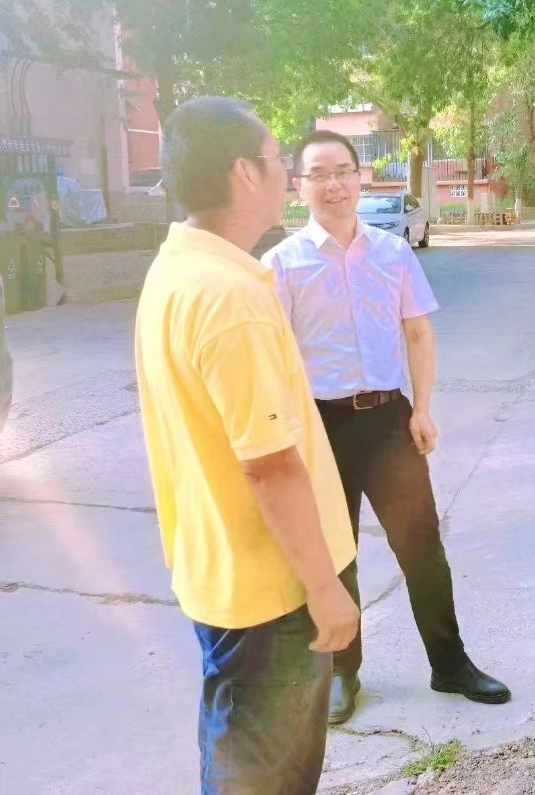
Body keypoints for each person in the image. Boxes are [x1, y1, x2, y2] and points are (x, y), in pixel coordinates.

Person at [134, 97, 359, 794]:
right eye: (276, 160)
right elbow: (269, 465)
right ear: (243, 172)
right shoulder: (229, 296)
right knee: (265, 777)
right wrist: (324, 589)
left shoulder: (177, 269)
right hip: (271, 591)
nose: (288, 175)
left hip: (222, 573)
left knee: (236, 753)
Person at [263, 130, 510, 725]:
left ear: (360, 178)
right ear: (299, 186)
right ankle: (342, 672)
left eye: (343, 171)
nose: (333, 184)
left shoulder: (392, 253)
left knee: (421, 546)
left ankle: (449, 664)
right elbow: (273, 359)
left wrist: (421, 409)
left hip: (388, 420)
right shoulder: (281, 265)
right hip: (320, 427)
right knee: (334, 553)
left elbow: (418, 333)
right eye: (319, 174)